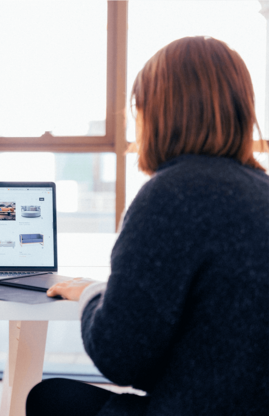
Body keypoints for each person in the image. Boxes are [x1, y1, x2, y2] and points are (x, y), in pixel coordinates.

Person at [27, 36, 269, 415]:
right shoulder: (262, 189)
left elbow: (120, 358)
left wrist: (93, 294)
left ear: (157, 113)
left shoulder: (170, 194)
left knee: (47, 398)